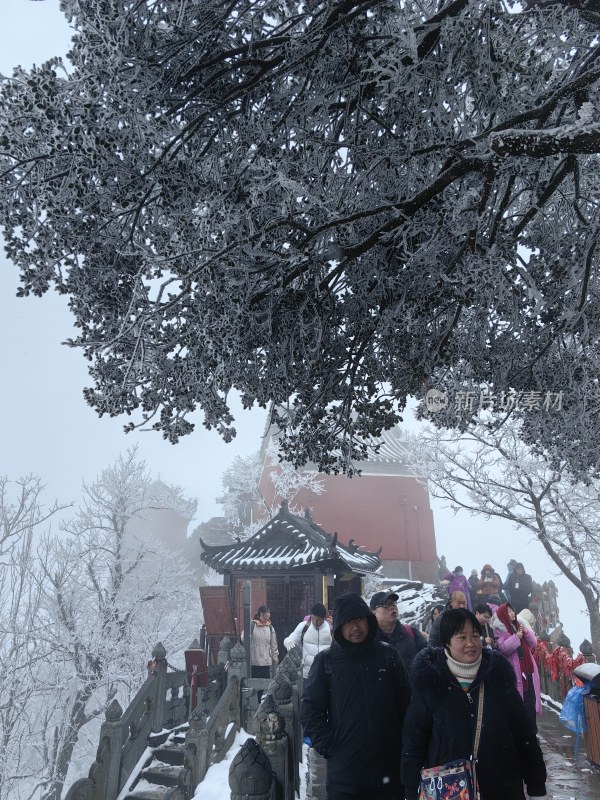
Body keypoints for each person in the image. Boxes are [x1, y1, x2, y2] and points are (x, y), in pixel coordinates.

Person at [401, 608, 548, 800]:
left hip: (502, 787)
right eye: (461, 637)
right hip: (450, 791)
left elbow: (524, 734)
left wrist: (536, 782)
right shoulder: (430, 684)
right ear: (447, 642)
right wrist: (411, 790)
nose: (471, 643)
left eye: (476, 636)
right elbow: (414, 741)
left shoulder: (498, 678)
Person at [300, 592, 412, 800]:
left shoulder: (388, 656)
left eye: (360, 619)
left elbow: (407, 705)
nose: (355, 627)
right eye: (348, 622)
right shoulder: (327, 662)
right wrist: (328, 745)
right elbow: (310, 710)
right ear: (339, 626)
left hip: (388, 770)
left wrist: (405, 745)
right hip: (345, 776)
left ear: (369, 620)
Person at [493, 602, 542, 733]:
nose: (512, 613)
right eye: (508, 612)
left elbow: (532, 644)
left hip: (528, 669)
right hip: (515, 670)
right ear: (503, 614)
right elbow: (504, 648)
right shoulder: (499, 630)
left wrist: (526, 633)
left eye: (512, 610)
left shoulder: (518, 625)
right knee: (520, 701)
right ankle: (522, 731)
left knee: (530, 699)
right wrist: (516, 637)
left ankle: (532, 730)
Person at [370, 591, 427, 671]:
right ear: (373, 612)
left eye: (393, 604)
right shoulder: (369, 639)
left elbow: (428, 661)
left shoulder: (411, 632)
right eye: (386, 605)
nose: (392, 607)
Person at [284, 602, 332, 678]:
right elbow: (289, 639)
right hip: (308, 673)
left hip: (327, 673)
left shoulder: (331, 629)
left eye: (318, 620)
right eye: (313, 619)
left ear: (324, 618)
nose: (315, 622)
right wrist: (288, 642)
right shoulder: (304, 626)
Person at [243, 605, 278, 678]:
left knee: (265, 684)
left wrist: (275, 656)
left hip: (266, 660)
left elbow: (273, 644)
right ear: (261, 613)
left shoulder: (270, 627)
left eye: (269, 612)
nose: (269, 614)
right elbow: (243, 638)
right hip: (254, 660)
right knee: (254, 683)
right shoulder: (252, 625)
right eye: (267, 612)